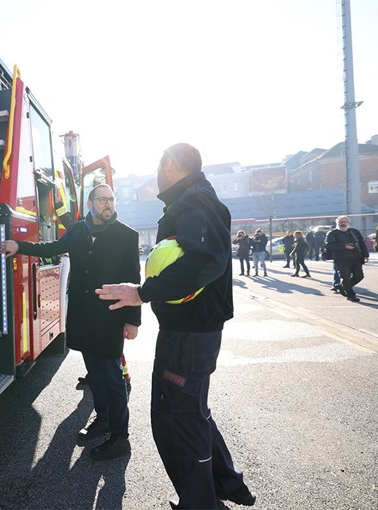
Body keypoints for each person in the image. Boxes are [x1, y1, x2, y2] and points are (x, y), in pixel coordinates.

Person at [96, 143, 255, 509]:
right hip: (195, 331)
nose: (156, 175)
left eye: (158, 166)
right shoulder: (199, 199)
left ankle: (199, 503)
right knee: (192, 410)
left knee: (177, 419)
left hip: (188, 334)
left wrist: (143, 292)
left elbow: (206, 260)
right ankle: (229, 483)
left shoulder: (194, 202)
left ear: (170, 164)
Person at [0, 184, 141, 460]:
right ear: (90, 203)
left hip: (111, 316)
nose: (108, 204)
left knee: (112, 377)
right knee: (95, 374)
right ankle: (104, 418)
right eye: (102, 200)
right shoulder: (77, 230)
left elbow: (134, 279)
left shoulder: (127, 235)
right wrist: (19, 246)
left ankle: (120, 437)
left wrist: (133, 320)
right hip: (84, 315)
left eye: (111, 199)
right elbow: (52, 247)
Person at [325, 215, 369, 302]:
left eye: (345, 222)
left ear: (348, 223)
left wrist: (365, 255)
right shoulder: (332, 233)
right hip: (341, 259)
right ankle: (351, 295)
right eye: (341, 222)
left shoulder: (355, 232)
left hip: (356, 258)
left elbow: (362, 244)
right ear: (337, 223)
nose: (343, 224)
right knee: (346, 277)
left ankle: (341, 286)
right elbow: (329, 246)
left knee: (359, 276)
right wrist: (344, 246)